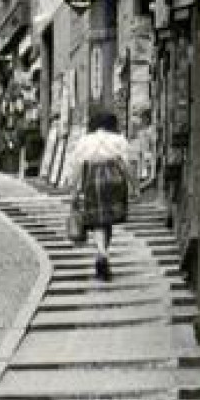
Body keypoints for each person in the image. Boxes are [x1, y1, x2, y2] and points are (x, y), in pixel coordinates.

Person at [68, 110, 132, 280]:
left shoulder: (85, 140)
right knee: (108, 219)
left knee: (97, 220)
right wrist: (135, 186)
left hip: (93, 178)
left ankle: (102, 253)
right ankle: (102, 254)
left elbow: (77, 166)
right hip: (115, 179)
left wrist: (74, 190)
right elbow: (126, 165)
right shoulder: (119, 139)